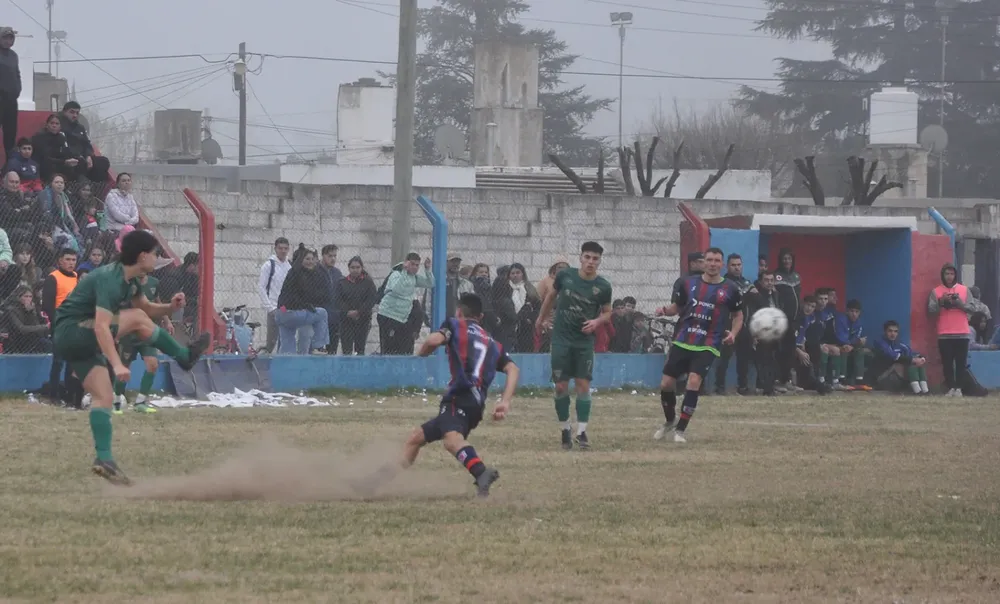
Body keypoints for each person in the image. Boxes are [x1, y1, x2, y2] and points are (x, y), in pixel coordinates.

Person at [52, 230, 210, 485]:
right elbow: (101, 327)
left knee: (103, 396)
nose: (158, 259)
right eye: (156, 254)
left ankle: (104, 458)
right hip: (72, 330)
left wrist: (170, 307)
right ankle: (184, 355)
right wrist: (116, 364)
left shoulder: (131, 279)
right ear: (142, 255)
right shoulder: (110, 278)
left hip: (72, 339)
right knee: (136, 319)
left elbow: (146, 308)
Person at [356, 293, 518, 499]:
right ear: (481, 317)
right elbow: (513, 369)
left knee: (451, 440)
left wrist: (421, 354)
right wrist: (505, 401)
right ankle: (372, 483)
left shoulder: (455, 325)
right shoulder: (492, 342)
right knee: (416, 439)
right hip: (475, 402)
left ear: (459, 312)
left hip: (459, 395)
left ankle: (481, 472)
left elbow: (433, 340)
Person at [654, 247, 744, 443]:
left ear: (722, 264)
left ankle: (680, 431)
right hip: (683, 339)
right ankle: (669, 421)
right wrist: (664, 310)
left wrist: (733, 333)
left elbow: (738, 315)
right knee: (666, 384)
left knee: (694, 381)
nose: (712, 264)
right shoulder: (688, 283)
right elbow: (677, 307)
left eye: (717, 261)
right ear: (704, 262)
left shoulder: (731, 289)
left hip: (709, 342)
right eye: (709, 260)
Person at [535, 241, 613, 451]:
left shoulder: (603, 286)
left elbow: (608, 312)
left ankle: (581, 432)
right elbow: (551, 297)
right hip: (561, 339)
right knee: (561, 386)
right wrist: (541, 318)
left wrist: (596, 322)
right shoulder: (565, 276)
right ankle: (565, 429)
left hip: (583, 342)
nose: (590, 262)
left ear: (599, 261)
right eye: (587, 257)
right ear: (580, 258)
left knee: (582, 385)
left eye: (595, 259)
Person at [111, 273, 168, 415]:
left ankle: (141, 402)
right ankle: (116, 402)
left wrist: (167, 320)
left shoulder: (154, 282)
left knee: (152, 364)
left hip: (147, 332)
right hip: (128, 333)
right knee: (124, 369)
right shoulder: (126, 283)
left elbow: (157, 303)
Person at [871, 320, 929, 395]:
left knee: (917, 363)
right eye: (890, 331)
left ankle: (925, 391)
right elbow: (892, 355)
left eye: (895, 331)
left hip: (895, 377)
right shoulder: (880, 342)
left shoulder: (899, 344)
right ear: (885, 332)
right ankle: (917, 391)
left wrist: (921, 358)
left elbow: (911, 353)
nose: (893, 334)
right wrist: (913, 360)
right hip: (881, 377)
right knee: (905, 363)